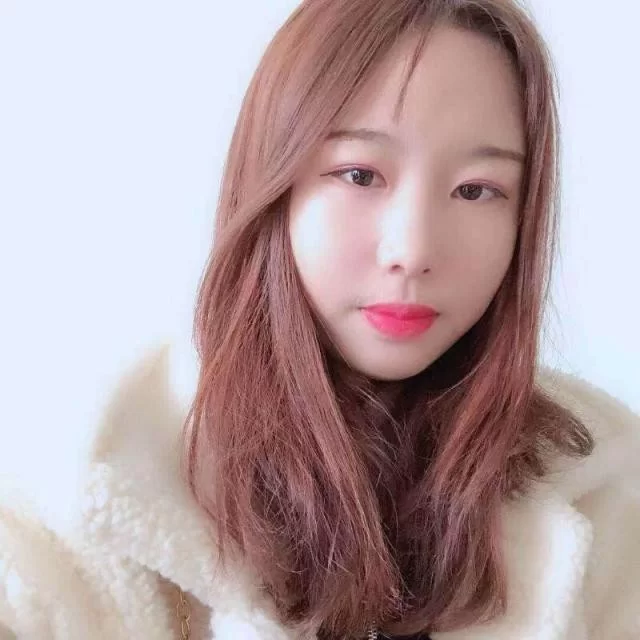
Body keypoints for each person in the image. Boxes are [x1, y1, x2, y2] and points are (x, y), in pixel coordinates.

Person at [1, 0, 639, 638]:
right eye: (360, 174)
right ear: (272, 184)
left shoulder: (611, 488)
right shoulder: (91, 476)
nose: (412, 250)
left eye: (476, 189)